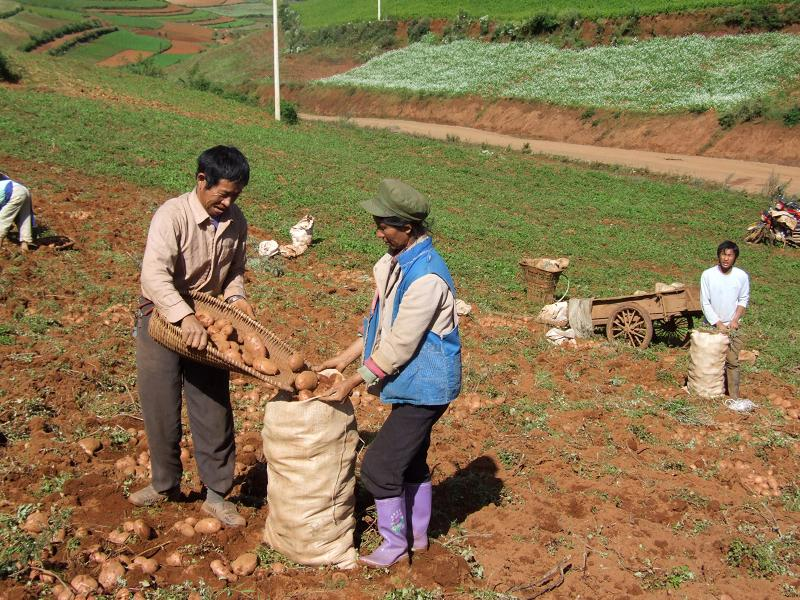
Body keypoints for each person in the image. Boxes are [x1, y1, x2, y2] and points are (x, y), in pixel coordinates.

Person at [316, 179, 461, 567]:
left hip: (427, 385)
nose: (378, 231)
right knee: (410, 460)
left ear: (408, 228)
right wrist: (344, 358)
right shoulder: (398, 263)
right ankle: (417, 537)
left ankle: (394, 545)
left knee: (379, 468)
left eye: (384, 225)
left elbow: (399, 344)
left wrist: (353, 380)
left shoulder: (427, 277)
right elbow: (379, 323)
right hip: (412, 382)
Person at [131, 146, 254, 527]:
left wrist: (236, 297)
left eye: (235, 195)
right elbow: (154, 275)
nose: (228, 202)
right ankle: (164, 484)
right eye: (223, 194)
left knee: (213, 407)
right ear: (202, 180)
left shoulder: (236, 221)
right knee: (161, 408)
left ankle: (217, 494)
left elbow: (235, 269)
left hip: (209, 320)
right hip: (161, 318)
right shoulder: (172, 215)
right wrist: (184, 318)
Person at [700, 240, 750, 400]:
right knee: (709, 359)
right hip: (711, 326)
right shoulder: (708, 275)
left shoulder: (741, 276)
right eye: (723, 254)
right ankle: (707, 393)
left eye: (729, 255)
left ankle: (733, 396)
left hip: (732, 326)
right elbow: (704, 302)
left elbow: (743, 299)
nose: (726, 258)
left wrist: (735, 320)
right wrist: (717, 323)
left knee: (732, 361)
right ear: (718, 255)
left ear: (735, 258)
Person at [0, 170, 35, 252]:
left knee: (2, 220)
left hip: (12, 192)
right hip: (22, 188)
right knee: (24, 218)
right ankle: (24, 246)